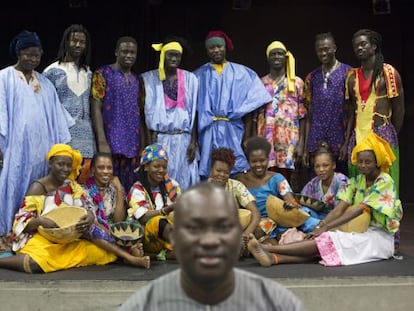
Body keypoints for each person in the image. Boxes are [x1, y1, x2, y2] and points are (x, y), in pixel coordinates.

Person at [119, 182, 305, 310]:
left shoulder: (279, 304)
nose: (209, 240)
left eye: (223, 227)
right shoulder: (142, 306)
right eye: (195, 228)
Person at [248, 132, 402, 267]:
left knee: (329, 241)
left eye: (367, 162)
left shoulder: (384, 181)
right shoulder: (356, 182)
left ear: (377, 162)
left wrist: (325, 227)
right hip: (359, 231)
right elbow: (340, 209)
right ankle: (275, 258)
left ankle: (268, 249)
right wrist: (321, 227)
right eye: (360, 161)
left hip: (379, 237)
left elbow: (359, 210)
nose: (362, 165)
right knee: (325, 242)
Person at [0, 30, 74, 236]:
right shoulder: (4, 78)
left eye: (37, 55)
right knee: (12, 188)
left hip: (42, 152)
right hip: (14, 149)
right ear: (18, 53)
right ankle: (9, 232)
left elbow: (57, 119)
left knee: (37, 192)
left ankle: (34, 232)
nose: (33, 59)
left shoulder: (45, 83)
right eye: (28, 54)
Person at [0, 144, 118, 273]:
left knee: (103, 253)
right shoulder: (38, 187)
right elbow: (20, 222)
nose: (65, 169)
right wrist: (40, 221)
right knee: (36, 263)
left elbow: (86, 209)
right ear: (51, 164)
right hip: (41, 238)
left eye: (68, 165)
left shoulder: (72, 186)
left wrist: (89, 216)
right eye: (60, 164)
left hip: (67, 238)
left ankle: (57, 261)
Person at [194, 30, 272, 179]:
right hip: (207, 131)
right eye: (212, 47)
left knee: (235, 170)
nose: (216, 50)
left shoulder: (242, 73)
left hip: (233, 130)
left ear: (225, 47)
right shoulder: (197, 75)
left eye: (219, 46)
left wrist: (248, 135)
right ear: (206, 50)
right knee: (209, 170)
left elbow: (251, 106)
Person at [345, 29, 404, 193]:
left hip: (382, 135)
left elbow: (399, 108)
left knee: (385, 182)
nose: (359, 48)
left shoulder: (389, 73)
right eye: (356, 45)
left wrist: (390, 133)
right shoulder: (351, 76)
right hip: (358, 136)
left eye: (363, 44)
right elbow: (350, 111)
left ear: (374, 46)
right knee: (360, 182)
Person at [236, 136, 323, 243]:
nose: (258, 165)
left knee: (300, 218)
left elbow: (290, 199)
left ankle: (320, 231)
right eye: (254, 161)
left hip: (280, 219)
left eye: (262, 160)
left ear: (268, 159)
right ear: (248, 161)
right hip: (257, 223)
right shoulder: (240, 180)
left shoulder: (277, 178)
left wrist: (289, 203)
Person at [140, 35, 199, 191]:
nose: (174, 58)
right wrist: (148, 144)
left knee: (184, 181)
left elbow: (195, 113)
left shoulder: (190, 79)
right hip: (159, 139)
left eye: (177, 55)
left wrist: (193, 142)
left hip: (183, 139)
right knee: (159, 180)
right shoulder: (148, 79)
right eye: (170, 54)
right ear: (163, 56)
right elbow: (142, 116)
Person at [43, 24, 95, 183]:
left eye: (82, 42)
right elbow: (47, 110)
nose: (78, 45)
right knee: (63, 187)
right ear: (66, 42)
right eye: (74, 41)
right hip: (63, 139)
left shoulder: (89, 72)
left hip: (87, 141)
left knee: (84, 188)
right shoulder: (51, 71)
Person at [82, 152, 150, 269]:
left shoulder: (114, 189)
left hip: (111, 229)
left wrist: (119, 189)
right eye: (101, 167)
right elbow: (92, 220)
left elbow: (118, 220)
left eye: (109, 168)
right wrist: (114, 235)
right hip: (96, 230)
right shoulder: (84, 190)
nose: (105, 171)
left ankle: (129, 251)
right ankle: (130, 258)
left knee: (134, 223)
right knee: (93, 228)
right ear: (93, 169)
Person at [91, 36, 141, 192]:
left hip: (132, 144)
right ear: (116, 52)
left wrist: (142, 145)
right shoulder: (103, 73)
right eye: (124, 51)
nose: (128, 55)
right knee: (107, 185)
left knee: (130, 187)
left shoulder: (138, 79)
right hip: (110, 141)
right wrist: (101, 140)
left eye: (132, 52)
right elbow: (96, 107)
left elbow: (142, 114)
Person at [256, 41, 306, 183]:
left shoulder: (297, 83)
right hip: (267, 141)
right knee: (267, 180)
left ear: (286, 57)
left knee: (289, 184)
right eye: (273, 54)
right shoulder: (261, 83)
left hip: (289, 142)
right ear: (268, 58)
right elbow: (256, 116)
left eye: (280, 53)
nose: (276, 57)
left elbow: (303, 116)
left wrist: (301, 143)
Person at [303, 32, 352, 176]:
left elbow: (351, 112)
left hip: (339, 143)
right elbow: (308, 115)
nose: (323, 53)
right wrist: (306, 147)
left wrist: (347, 143)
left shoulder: (348, 73)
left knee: (341, 187)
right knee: (316, 189)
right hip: (316, 143)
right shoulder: (312, 77)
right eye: (319, 50)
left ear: (334, 48)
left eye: (326, 48)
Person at [127, 143, 180, 260]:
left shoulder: (173, 186)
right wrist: (166, 210)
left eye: (164, 167)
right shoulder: (137, 189)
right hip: (148, 237)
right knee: (158, 221)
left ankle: (167, 253)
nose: (161, 170)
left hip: (171, 232)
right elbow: (143, 217)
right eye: (156, 166)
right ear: (146, 167)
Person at [208, 147, 260, 250]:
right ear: (211, 170)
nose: (221, 175)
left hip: (239, 228)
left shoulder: (236, 186)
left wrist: (245, 234)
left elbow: (255, 213)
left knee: (263, 226)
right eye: (218, 170)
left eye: (226, 172)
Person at [301, 141, 349, 215]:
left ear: (333, 165)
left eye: (325, 165)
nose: (321, 170)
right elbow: (302, 201)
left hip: (337, 220)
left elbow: (341, 211)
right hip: (318, 219)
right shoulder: (313, 183)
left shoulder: (342, 181)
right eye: (317, 166)